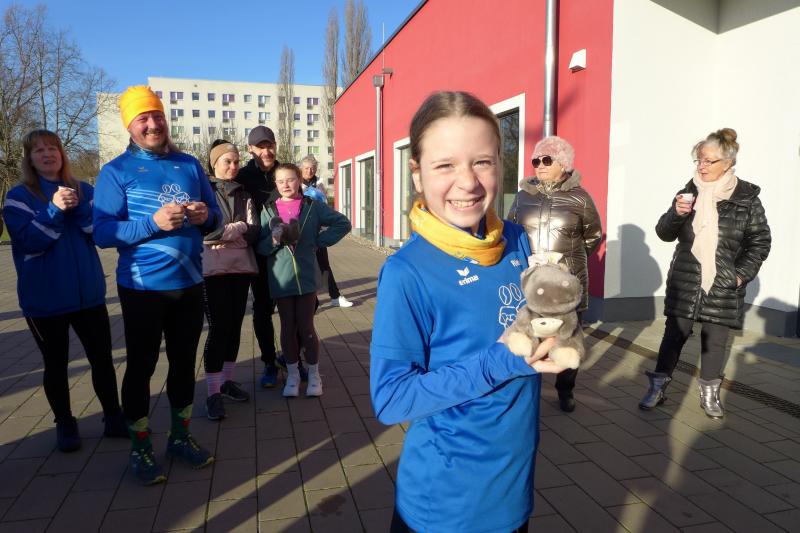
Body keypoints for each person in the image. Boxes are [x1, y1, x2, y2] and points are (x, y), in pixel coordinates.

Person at [370, 91, 565, 533]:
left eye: (482, 162)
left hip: (513, 492)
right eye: (445, 165)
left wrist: (556, 324)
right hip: (445, 508)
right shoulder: (406, 273)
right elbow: (391, 399)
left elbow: (523, 324)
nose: (468, 182)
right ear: (417, 174)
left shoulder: (516, 240)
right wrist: (502, 360)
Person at [93, 86, 221, 484]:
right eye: (143, 118)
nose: (153, 124)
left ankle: (180, 437)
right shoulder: (116, 171)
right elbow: (102, 232)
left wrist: (204, 217)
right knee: (141, 366)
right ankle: (141, 446)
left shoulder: (189, 164)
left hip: (189, 282)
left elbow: (216, 218)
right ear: (130, 126)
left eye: (157, 116)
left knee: (184, 363)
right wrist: (152, 223)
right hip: (143, 288)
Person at [3, 129, 127, 452]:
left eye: (53, 148)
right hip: (44, 300)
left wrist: (80, 207)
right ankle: (65, 422)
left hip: (88, 295)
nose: (47, 154)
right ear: (30, 159)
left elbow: (99, 234)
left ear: (62, 154)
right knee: (56, 364)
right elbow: (31, 242)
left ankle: (113, 416)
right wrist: (55, 209)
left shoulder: (85, 189)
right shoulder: (18, 197)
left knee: (102, 359)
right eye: (39, 150)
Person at [639, 128, 770, 419]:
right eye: (699, 160)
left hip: (723, 282)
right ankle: (657, 387)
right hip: (686, 279)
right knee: (674, 335)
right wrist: (677, 213)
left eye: (709, 161)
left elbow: (760, 241)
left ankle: (709, 395)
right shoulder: (689, 191)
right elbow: (664, 233)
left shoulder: (747, 198)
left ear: (728, 162)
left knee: (715, 341)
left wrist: (740, 275)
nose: (702, 166)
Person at [507, 136, 602, 412]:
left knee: (568, 338)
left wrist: (567, 264)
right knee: (526, 334)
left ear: (564, 164)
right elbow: (511, 231)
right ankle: (524, 390)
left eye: (547, 160)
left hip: (565, 282)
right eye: (536, 160)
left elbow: (592, 236)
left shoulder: (580, 198)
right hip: (531, 280)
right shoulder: (523, 196)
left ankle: (565, 389)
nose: (540, 165)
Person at [256, 163, 351, 398]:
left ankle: (315, 375)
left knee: (307, 327)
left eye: (290, 179)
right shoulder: (268, 210)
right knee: (287, 327)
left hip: (307, 277)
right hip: (281, 279)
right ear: (275, 184)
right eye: (280, 181)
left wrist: (318, 242)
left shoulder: (312, 206)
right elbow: (261, 247)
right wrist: (274, 241)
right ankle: (293, 376)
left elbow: (343, 223)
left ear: (299, 180)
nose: (286, 185)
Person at [236, 126, 306, 387]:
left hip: (291, 256)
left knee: (302, 310)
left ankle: (292, 358)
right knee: (263, 310)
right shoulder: (243, 177)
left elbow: (302, 206)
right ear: (250, 149)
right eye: (260, 147)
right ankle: (269, 362)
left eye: (270, 145)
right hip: (261, 254)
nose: (266, 151)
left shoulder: (284, 173)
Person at [202, 140, 260, 420]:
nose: (234, 166)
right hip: (212, 270)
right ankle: (212, 393)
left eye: (236, 161)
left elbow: (255, 231)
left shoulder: (243, 193)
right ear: (214, 163)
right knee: (218, 328)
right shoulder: (203, 191)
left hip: (240, 269)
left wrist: (228, 233)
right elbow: (204, 234)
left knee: (235, 326)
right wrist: (236, 229)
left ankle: (226, 382)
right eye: (227, 161)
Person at [300, 154, 353, 308]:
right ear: (301, 169)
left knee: (324, 265)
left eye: (312, 168)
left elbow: (325, 205)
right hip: (302, 230)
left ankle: (335, 296)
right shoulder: (297, 183)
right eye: (306, 168)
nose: (309, 171)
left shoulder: (319, 184)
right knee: (303, 266)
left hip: (318, 231)